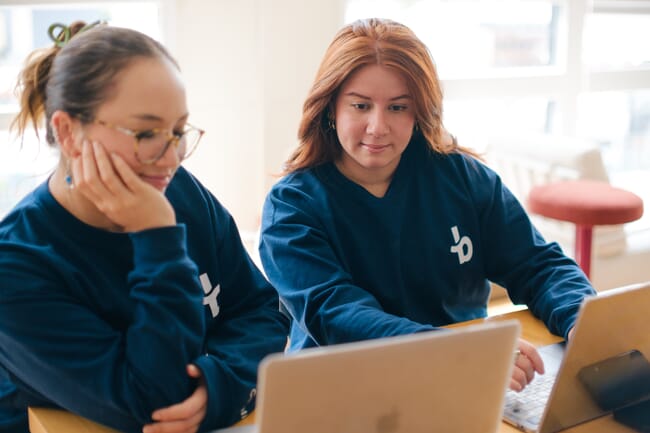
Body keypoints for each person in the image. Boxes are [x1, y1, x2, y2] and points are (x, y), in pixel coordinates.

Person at [258, 18, 596, 393]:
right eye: (360, 105)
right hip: (345, 389)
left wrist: (583, 321)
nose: (377, 126)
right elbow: (338, 316)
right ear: (330, 108)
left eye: (398, 108)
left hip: (467, 379)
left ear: (419, 111)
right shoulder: (291, 207)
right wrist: (460, 352)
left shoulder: (462, 177)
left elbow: (538, 265)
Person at [0, 21, 289, 433]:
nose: (171, 158)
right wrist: (157, 237)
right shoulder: (16, 267)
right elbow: (155, 402)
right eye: (147, 132)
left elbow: (262, 310)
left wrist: (219, 383)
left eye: (177, 131)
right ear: (68, 133)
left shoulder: (180, 191)